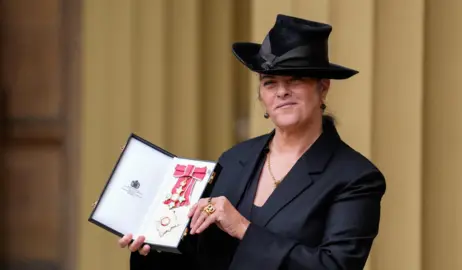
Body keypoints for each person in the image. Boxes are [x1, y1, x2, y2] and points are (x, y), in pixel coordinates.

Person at [119, 14, 386, 270]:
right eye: (270, 82)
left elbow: (335, 266)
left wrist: (243, 228)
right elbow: (197, 259)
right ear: (261, 95)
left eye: (295, 79)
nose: (282, 91)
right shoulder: (234, 159)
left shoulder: (355, 177)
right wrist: (151, 244)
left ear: (323, 87)